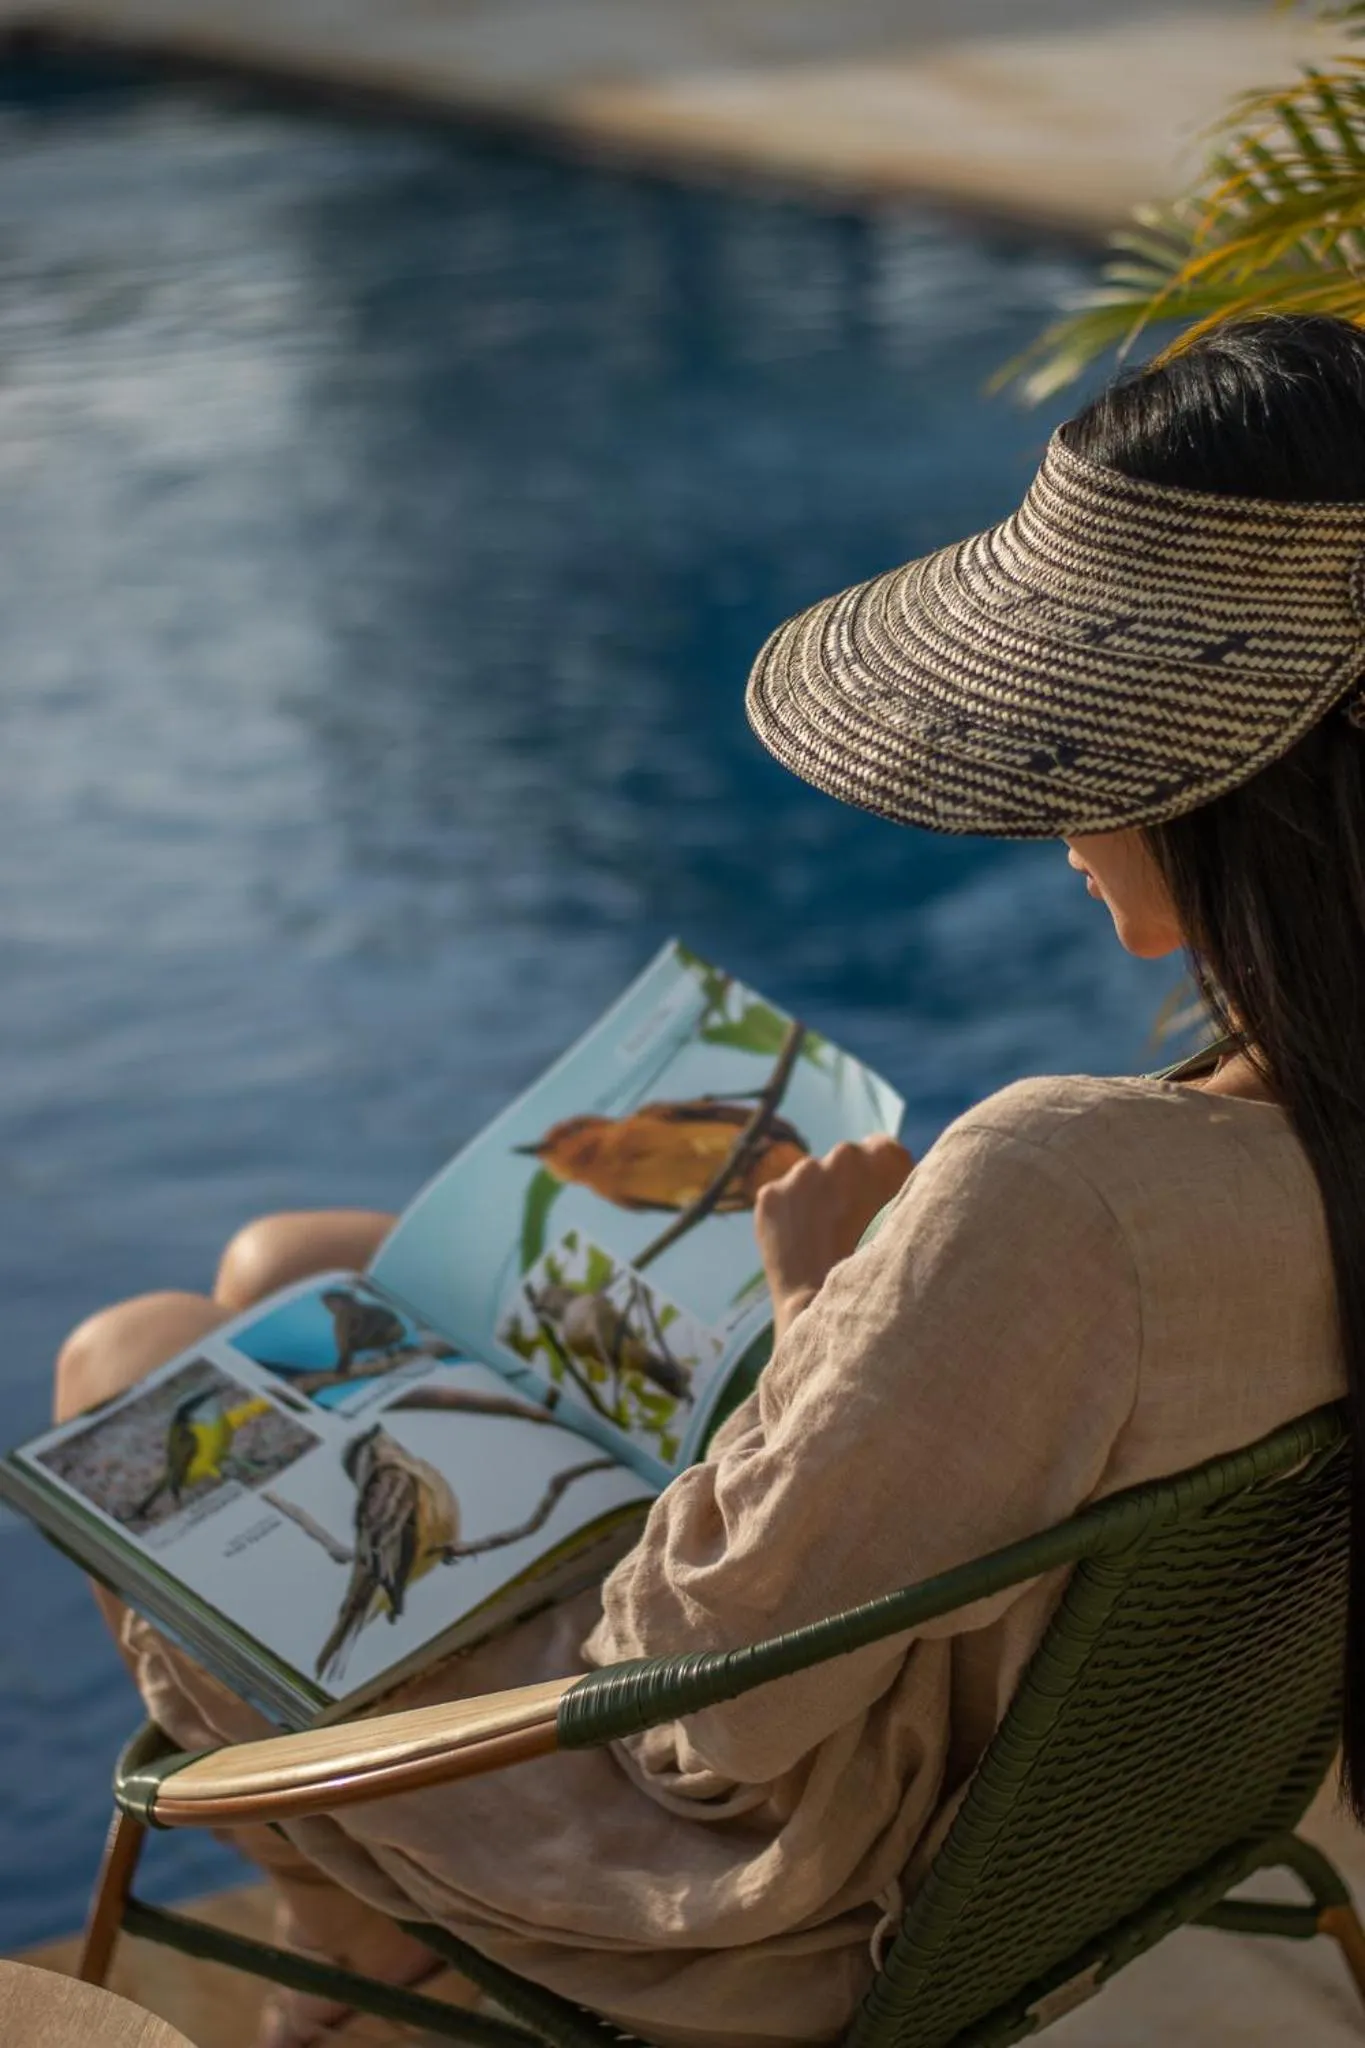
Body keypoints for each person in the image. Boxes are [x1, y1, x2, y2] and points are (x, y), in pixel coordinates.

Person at [55, 312, 1365, 2047]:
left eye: (1082, 757)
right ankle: (357, 1931)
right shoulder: (1270, 1144)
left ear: (1231, 798)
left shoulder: (1070, 1185)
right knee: (297, 1254)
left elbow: (692, 1707)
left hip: (771, 1877)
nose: (1057, 820)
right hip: (1079, 1784)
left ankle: (355, 1936)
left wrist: (822, 1315)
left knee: (139, 1357)